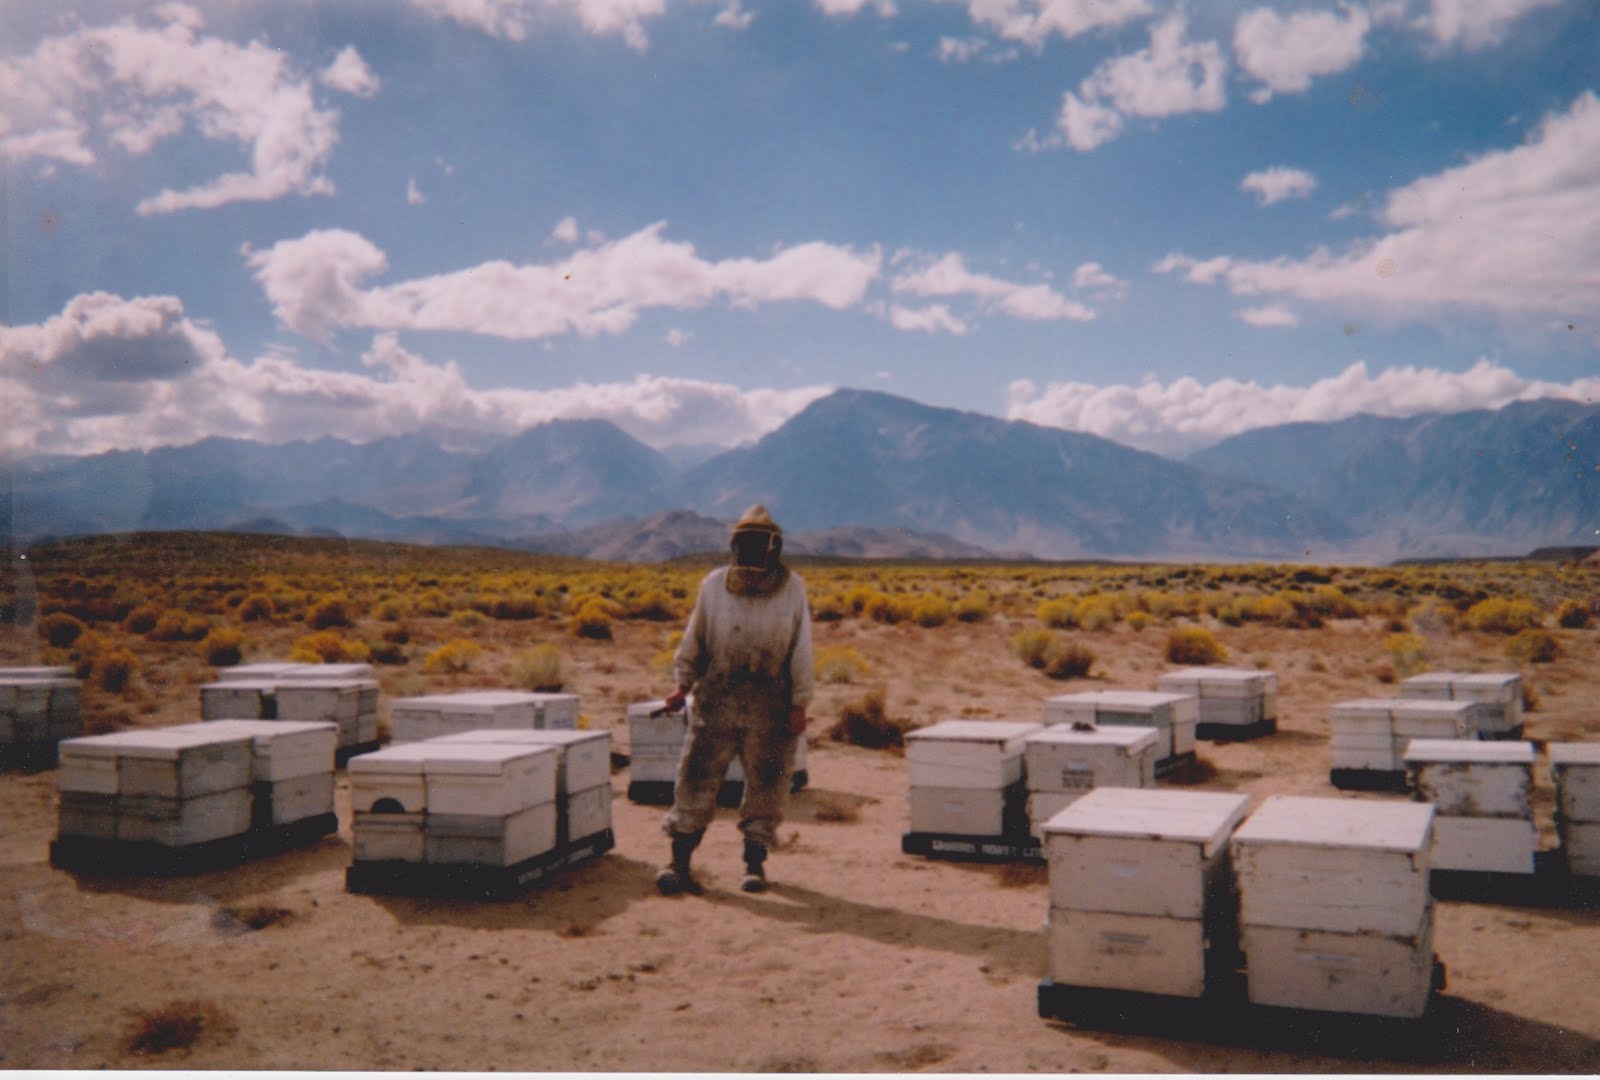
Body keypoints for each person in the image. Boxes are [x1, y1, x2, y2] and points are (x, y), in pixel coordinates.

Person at [656, 504, 813, 895]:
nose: (751, 548)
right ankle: (678, 864)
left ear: (774, 546)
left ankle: (754, 865)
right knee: (695, 779)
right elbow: (695, 638)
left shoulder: (793, 588)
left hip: (771, 704)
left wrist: (799, 703)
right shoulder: (713, 585)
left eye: (759, 541)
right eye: (746, 541)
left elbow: (801, 649)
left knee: (767, 786)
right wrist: (682, 686)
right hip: (717, 700)